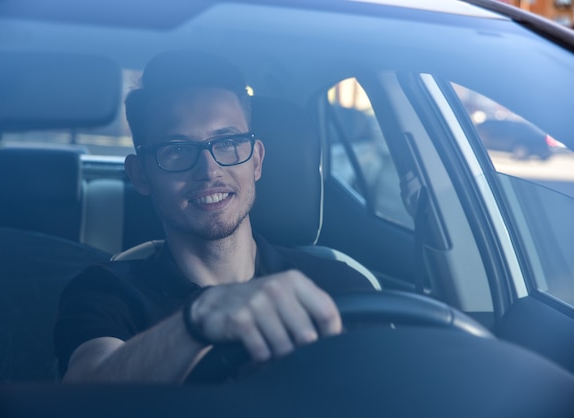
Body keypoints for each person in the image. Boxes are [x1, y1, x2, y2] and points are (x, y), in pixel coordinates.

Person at [54, 50, 375, 384]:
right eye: (176, 150)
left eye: (227, 143)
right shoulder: (108, 292)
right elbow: (85, 391)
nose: (209, 171)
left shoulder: (340, 286)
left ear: (256, 161)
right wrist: (199, 321)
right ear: (140, 176)